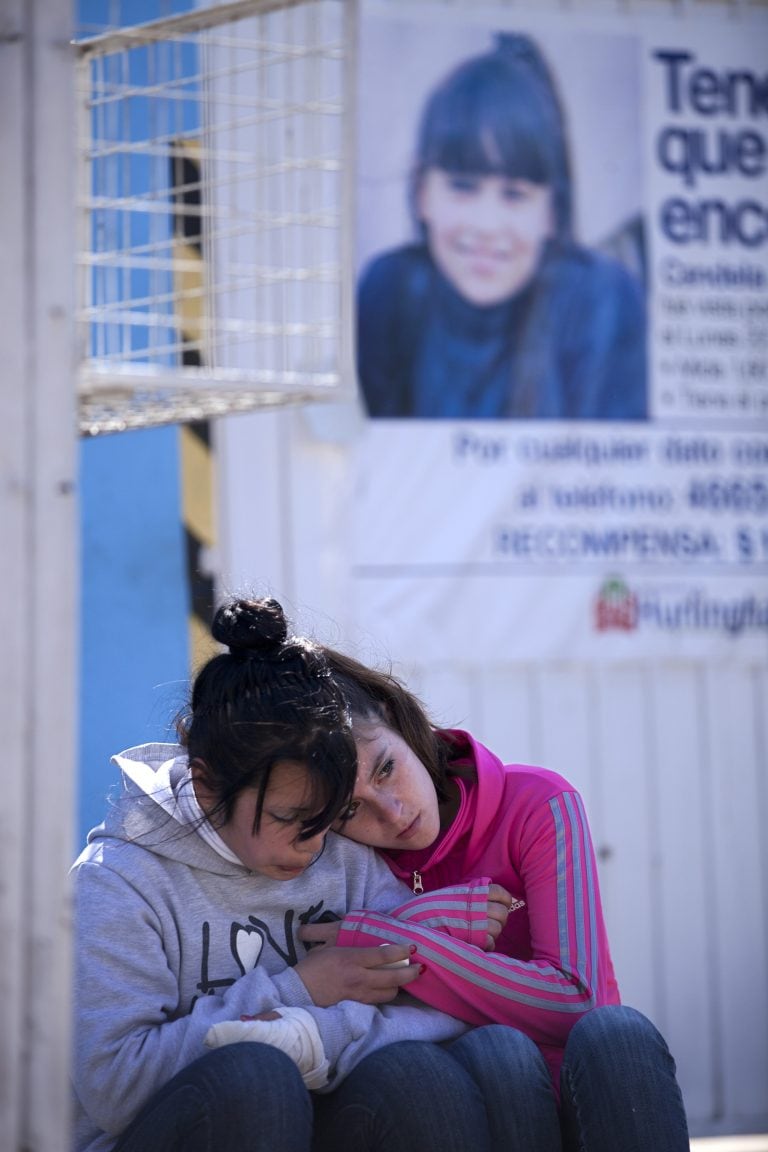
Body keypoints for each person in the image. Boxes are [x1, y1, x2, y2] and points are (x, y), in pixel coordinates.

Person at [71, 596, 521, 1152]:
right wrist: (302, 988)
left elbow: (434, 1003)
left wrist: (316, 1037)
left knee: (420, 1075)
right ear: (207, 784)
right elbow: (115, 1088)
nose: (315, 846)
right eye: (292, 820)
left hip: (313, 1123)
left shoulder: (343, 856)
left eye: (331, 816)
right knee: (257, 1078)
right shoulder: (118, 883)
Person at [280, 643, 691, 1152]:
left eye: (386, 769)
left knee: (619, 1033)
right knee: (500, 1051)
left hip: (590, 1094)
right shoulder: (348, 863)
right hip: (469, 1106)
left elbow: (576, 998)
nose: (390, 812)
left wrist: (392, 939)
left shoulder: (537, 802)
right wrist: (435, 920)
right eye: (350, 811)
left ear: (395, 718)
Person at [357, 32, 647, 420]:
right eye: (463, 187)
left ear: (552, 212)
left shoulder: (603, 300)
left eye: (515, 195)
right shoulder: (388, 290)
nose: (487, 225)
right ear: (422, 192)